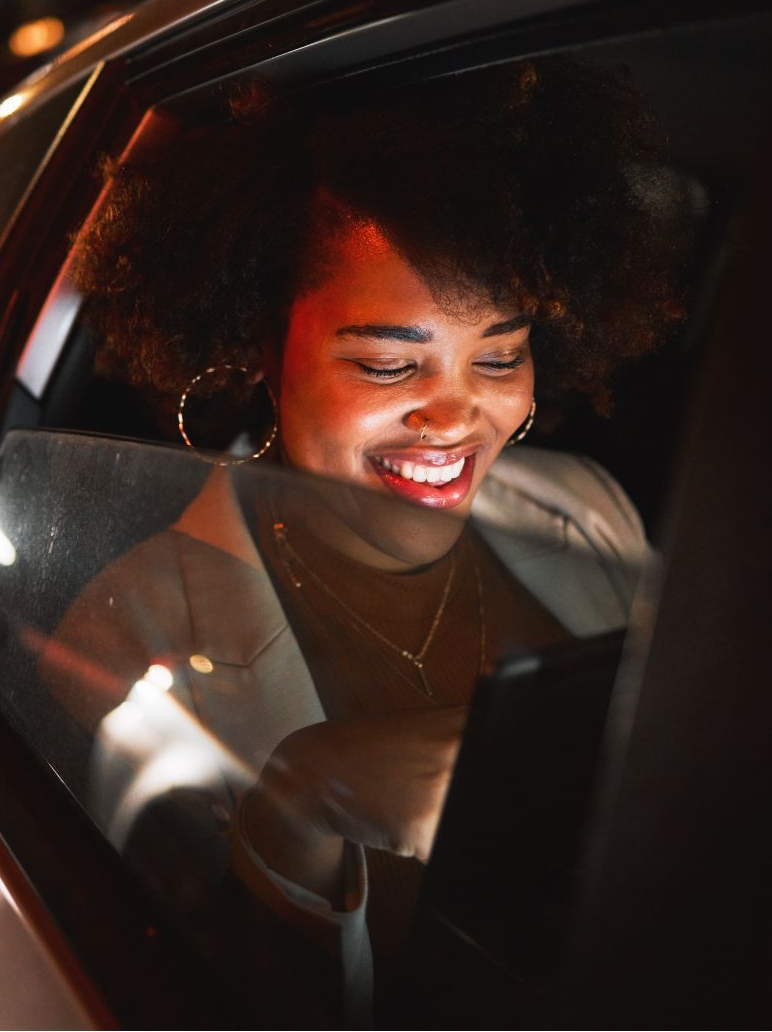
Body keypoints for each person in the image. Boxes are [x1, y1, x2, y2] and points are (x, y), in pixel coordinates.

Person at [40, 56, 683, 1022]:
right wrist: (299, 807)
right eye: (389, 365)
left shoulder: (585, 507)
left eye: (500, 355)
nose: (457, 417)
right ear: (265, 344)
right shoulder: (130, 638)